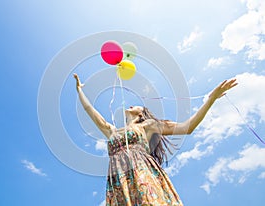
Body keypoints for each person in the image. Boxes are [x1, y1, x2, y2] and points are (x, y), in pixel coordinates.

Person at [74, 73, 237, 206]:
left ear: (141, 113)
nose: (131, 105)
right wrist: (80, 91)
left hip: (142, 171)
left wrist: (211, 99)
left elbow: (188, 126)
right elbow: (90, 111)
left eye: (137, 105)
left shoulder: (149, 125)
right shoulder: (112, 131)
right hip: (118, 177)